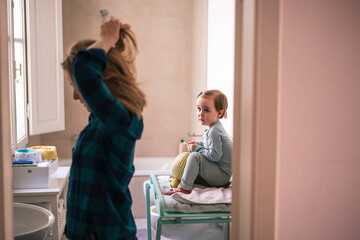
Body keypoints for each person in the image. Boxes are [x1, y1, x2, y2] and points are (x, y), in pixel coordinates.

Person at [61, 17, 146, 240]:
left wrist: (108, 39)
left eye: (75, 85)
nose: (75, 95)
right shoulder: (100, 121)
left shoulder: (123, 121)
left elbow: (85, 68)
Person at [165, 90, 232, 195]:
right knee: (194, 169)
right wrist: (199, 145)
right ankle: (186, 181)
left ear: (219, 113)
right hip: (221, 174)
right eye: (199, 108)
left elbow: (214, 156)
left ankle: (184, 188)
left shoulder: (214, 131)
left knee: (195, 157)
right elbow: (210, 148)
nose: (201, 113)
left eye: (206, 110)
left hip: (221, 175)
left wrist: (197, 149)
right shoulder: (215, 128)